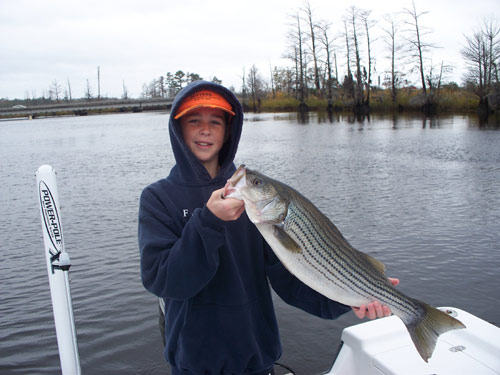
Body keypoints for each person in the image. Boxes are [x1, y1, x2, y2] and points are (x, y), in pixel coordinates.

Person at [138, 80, 399, 375]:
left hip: (256, 359)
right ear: (178, 129)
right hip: (193, 364)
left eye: (216, 121)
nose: (205, 129)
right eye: (194, 120)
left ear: (228, 131)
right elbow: (163, 281)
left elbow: (292, 276)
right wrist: (208, 221)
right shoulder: (158, 198)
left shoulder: (258, 205)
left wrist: (351, 294)